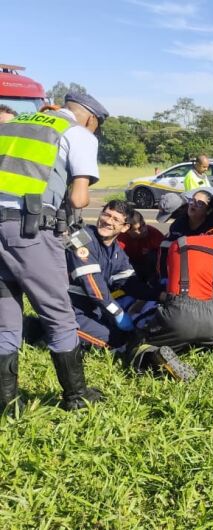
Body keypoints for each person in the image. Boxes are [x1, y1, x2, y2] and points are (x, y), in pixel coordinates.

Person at [0, 92, 109, 411]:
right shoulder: (77, 133)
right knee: (58, 314)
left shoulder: (11, 124)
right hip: (29, 232)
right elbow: (78, 199)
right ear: (90, 118)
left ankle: (7, 403)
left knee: (5, 320)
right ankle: (76, 396)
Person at [127, 227, 213, 381]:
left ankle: (153, 355)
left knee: (140, 341)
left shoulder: (179, 244)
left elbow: (171, 285)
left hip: (178, 314)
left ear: (204, 235)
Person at [67, 200, 157, 350]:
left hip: (92, 308)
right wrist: (118, 312)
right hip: (68, 307)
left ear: (125, 227)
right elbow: (93, 285)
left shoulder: (116, 252)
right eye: (106, 215)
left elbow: (130, 283)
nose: (108, 221)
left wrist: (159, 295)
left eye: (115, 219)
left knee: (126, 335)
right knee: (112, 343)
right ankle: (45, 329)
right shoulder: (80, 239)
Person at [117, 210, 165, 282]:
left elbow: (165, 254)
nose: (144, 229)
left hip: (149, 268)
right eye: (139, 229)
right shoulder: (120, 238)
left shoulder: (154, 233)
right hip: (130, 266)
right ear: (127, 230)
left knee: (153, 256)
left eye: (144, 224)